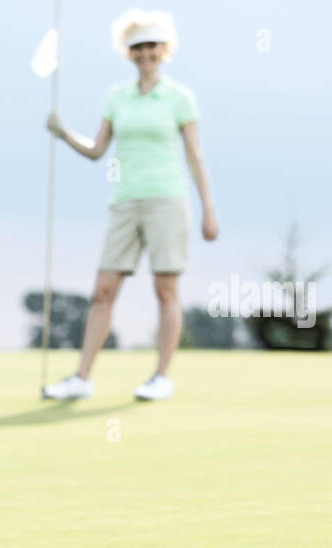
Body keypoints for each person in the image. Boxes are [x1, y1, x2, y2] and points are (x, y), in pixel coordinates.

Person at [42, 8, 216, 402]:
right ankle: (81, 378)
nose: (146, 53)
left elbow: (195, 157)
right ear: (129, 52)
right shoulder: (116, 97)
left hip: (167, 200)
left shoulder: (179, 98)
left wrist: (209, 209)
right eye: (138, 46)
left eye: (152, 45)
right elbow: (97, 150)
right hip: (124, 200)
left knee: (165, 289)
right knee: (104, 289)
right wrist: (63, 132)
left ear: (164, 48)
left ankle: (160, 376)